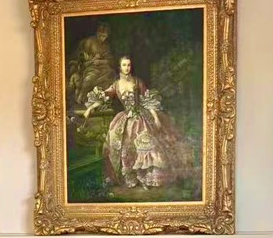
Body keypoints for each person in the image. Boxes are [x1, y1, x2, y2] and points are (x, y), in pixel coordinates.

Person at [83, 55, 191, 189]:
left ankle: (145, 178)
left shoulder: (137, 82)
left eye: (128, 65)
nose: (126, 67)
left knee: (146, 146)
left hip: (141, 118)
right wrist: (90, 109)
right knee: (125, 146)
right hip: (125, 119)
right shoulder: (116, 85)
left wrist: (156, 118)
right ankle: (131, 178)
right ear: (120, 67)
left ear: (131, 67)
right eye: (124, 65)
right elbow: (103, 97)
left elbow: (148, 100)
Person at [66, 23, 117, 106]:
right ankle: (82, 95)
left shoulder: (106, 46)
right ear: (97, 33)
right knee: (90, 77)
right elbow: (82, 58)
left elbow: (110, 60)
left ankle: (101, 101)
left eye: (104, 36)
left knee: (110, 75)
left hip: (103, 68)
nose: (102, 38)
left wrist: (101, 62)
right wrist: (92, 61)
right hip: (90, 67)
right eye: (100, 35)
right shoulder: (89, 42)